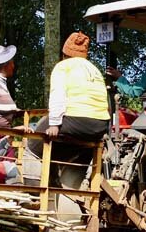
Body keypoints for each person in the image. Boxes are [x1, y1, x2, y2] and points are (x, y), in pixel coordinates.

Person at [29, 32, 110, 161]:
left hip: (76, 121)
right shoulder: (94, 69)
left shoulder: (63, 66)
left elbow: (58, 95)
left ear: (64, 54)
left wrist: (55, 123)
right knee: (77, 151)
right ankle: (65, 177)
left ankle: (33, 179)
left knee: (33, 144)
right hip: (100, 126)